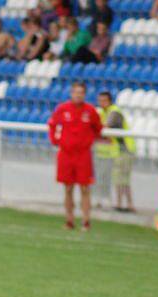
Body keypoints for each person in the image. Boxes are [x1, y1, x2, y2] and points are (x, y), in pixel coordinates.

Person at [48, 81, 103, 230]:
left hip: (83, 155)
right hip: (66, 154)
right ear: (71, 93)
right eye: (76, 92)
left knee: (85, 188)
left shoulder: (90, 111)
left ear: (84, 94)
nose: (78, 95)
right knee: (68, 188)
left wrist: (89, 140)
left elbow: (98, 128)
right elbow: (52, 125)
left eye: (81, 92)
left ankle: (86, 221)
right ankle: (69, 220)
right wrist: (56, 140)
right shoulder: (63, 109)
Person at [94, 91, 135, 211]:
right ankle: (127, 203)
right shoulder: (104, 112)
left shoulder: (114, 112)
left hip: (125, 149)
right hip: (118, 150)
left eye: (104, 101)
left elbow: (106, 126)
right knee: (122, 178)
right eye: (100, 100)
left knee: (121, 178)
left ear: (110, 101)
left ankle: (120, 203)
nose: (102, 103)